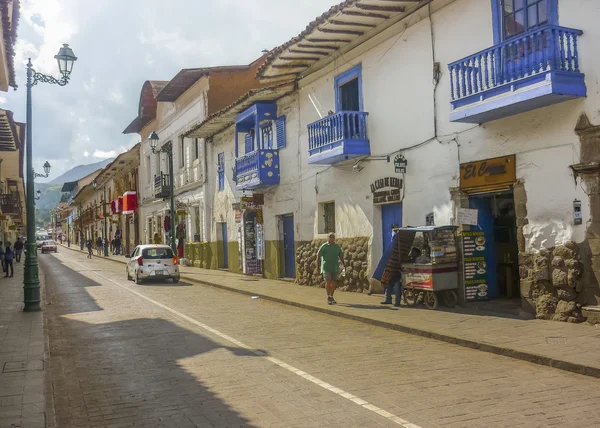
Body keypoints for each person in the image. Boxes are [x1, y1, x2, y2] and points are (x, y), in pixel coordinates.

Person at [317, 232, 345, 305]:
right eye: (330, 237)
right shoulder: (324, 246)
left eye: (333, 237)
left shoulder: (337, 247)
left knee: (333, 283)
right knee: (328, 282)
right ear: (327, 238)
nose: (331, 238)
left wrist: (344, 264)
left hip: (334, 267)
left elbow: (341, 256)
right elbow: (318, 256)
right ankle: (328, 296)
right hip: (326, 267)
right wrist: (318, 266)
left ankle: (331, 296)